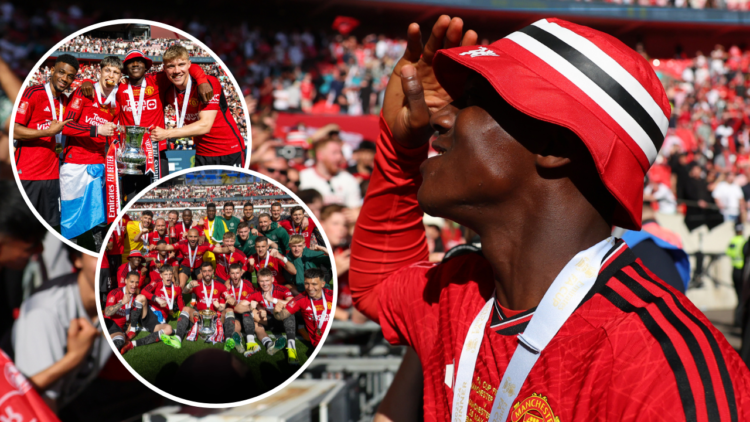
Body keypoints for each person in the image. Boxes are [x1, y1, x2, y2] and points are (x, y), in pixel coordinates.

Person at [349, 16, 750, 421]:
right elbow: (379, 284)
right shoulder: (462, 293)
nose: (438, 117)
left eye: (471, 99)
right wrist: (400, 152)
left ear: (555, 142)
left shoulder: (660, 368)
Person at [84, 49, 212, 182]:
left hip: (156, 149)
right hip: (130, 152)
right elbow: (100, 84)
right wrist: (86, 81)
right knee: (132, 196)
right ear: (125, 69)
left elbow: (188, 67)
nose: (135, 64)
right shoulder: (119, 86)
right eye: (130, 62)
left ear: (146, 67)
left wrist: (202, 81)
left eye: (139, 61)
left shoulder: (158, 80)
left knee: (160, 193)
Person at [13, 248, 107, 413]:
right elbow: (33, 402)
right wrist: (74, 357)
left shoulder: (123, 302)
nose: (110, 263)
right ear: (76, 259)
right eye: (100, 255)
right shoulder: (44, 311)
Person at [13, 54, 80, 228]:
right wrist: (48, 131)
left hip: (53, 177)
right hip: (28, 174)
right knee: (22, 227)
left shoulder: (66, 101)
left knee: (49, 227)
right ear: (52, 71)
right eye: (61, 73)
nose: (65, 79)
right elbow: (14, 130)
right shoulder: (33, 93)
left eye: (70, 76)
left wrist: (87, 84)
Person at [58, 55, 120, 245]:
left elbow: (112, 136)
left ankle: (97, 252)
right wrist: (96, 129)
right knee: (70, 213)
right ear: (100, 72)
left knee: (96, 216)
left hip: (97, 163)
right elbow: (66, 126)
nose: (111, 75)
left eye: (116, 72)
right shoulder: (84, 92)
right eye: (108, 70)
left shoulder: (116, 102)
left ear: (120, 78)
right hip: (74, 162)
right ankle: (71, 250)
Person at [150, 45, 246, 167]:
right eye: (171, 66)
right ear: (164, 68)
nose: (177, 70)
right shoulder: (168, 92)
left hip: (229, 151)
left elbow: (205, 125)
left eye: (181, 64)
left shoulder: (208, 84)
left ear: (189, 64)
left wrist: (167, 134)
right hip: (202, 154)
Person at [168, 262, 237, 352]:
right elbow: (184, 291)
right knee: (186, 309)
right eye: (204, 271)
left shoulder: (220, 285)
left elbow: (228, 297)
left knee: (229, 310)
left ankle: (228, 340)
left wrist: (229, 299)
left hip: (215, 318)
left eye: (209, 271)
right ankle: (177, 338)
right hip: (199, 317)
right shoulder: (197, 284)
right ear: (201, 272)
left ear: (213, 271)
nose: (207, 273)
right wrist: (189, 286)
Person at [114, 270, 178, 354]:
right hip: (148, 313)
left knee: (169, 329)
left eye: (170, 274)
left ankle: (132, 344)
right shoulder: (157, 282)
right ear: (161, 276)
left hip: (157, 321)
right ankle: (132, 330)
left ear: (173, 276)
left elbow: (181, 305)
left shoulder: (177, 288)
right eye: (166, 274)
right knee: (141, 297)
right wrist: (157, 299)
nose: (168, 276)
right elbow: (144, 291)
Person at [156, 228, 234, 289]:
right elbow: (167, 247)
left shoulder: (204, 245)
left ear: (198, 237)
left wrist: (229, 249)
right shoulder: (182, 243)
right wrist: (155, 247)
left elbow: (220, 250)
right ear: (187, 237)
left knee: (203, 282)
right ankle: (177, 303)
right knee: (181, 285)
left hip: (198, 267)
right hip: (185, 266)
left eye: (195, 236)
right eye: (191, 236)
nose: (193, 239)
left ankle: (199, 299)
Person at [273, 268, 332, 348]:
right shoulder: (300, 299)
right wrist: (276, 311)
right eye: (307, 283)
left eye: (314, 284)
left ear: (323, 284)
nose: (310, 288)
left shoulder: (332, 295)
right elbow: (281, 316)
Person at [248, 268, 297, 364]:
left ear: (272, 280)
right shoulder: (256, 292)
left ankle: (292, 349)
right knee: (252, 317)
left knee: (287, 312)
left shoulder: (282, 289)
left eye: (267, 280)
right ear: (257, 281)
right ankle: (269, 344)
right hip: (268, 320)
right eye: (262, 281)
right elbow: (239, 307)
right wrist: (252, 306)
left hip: (283, 321)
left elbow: (293, 303)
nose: (265, 283)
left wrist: (273, 299)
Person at [299, 137, 362, 208]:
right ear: (320, 155)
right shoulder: (302, 177)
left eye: (341, 153)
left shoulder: (349, 179)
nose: (339, 157)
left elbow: (355, 208)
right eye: (334, 153)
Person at [222, 263, 254, 354]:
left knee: (245, 312)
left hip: (245, 312)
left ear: (241, 273)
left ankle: (249, 342)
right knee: (234, 322)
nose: (235, 276)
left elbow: (253, 300)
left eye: (237, 273)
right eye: (232, 273)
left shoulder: (248, 285)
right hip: (233, 314)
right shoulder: (226, 287)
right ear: (229, 274)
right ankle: (236, 341)